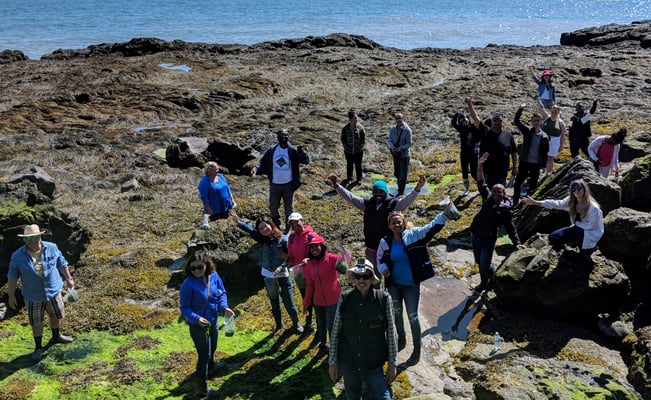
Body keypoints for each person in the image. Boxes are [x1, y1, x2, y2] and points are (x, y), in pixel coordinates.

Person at [376, 207, 452, 365]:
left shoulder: (414, 235)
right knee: (396, 313)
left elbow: (431, 228)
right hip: (394, 285)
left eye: (399, 222)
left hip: (411, 285)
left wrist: (444, 214)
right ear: (389, 226)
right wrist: (383, 269)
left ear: (403, 222)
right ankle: (401, 339)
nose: (396, 225)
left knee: (413, 316)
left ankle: (417, 348)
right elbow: (380, 260)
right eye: (393, 223)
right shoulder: (385, 242)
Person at [328, 259, 397, 400]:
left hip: (373, 363)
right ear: (353, 278)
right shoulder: (344, 298)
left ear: (372, 279)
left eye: (365, 277)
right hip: (348, 363)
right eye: (358, 277)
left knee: (383, 397)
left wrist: (392, 364)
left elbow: (391, 333)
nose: (362, 280)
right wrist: (332, 362)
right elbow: (335, 331)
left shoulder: (384, 298)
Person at [327, 175, 425, 272]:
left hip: (388, 248)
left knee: (390, 273)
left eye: (381, 192)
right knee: (372, 273)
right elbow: (351, 197)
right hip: (371, 248)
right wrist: (336, 185)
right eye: (376, 192)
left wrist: (417, 188)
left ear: (386, 192)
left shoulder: (393, 204)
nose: (378, 194)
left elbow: (407, 201)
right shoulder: (367, 204)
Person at [7, 224, 75, 361]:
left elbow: (62, 263)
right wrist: (11, 295)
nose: (33, 240)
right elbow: (12, 276)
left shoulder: (52, 247)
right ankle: (38, 347)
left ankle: (56, 336)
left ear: (40, 236)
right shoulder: (17, 256)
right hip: (33, 295)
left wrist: (69, 278)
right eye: (29, 238)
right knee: (36, 321)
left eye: (35, 236)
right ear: (24, 240)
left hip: (53, 290)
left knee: (56, 314)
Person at [233, 213, 303, 334]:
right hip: (268, 275)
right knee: (274, 303)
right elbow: (250, 231)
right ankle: (278, 325)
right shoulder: (262, 239)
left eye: (266, 226)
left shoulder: (283, 239)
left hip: (283, 276)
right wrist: (239, 223)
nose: (264, 230)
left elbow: (289, 258)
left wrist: (281, 267)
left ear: (271, 225)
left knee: (289, 303)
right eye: (261, 228)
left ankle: (296, 324)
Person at [180, 254, 234, 399]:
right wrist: (196, 319)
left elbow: (222, 293)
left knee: (213, 347)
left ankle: (211, 367)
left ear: (206, 265)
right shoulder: (188, 284)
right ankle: (202, 389)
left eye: (199, 267)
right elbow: (184, 307)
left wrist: (224, 307)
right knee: (204, 355)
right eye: (193, 268)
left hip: (213, 320)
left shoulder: (214, 276)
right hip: (198, 326)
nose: (196, 270)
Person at [471, 153, 524, 293]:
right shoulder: (487, 199)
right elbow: (481, 181)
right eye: (494, 191)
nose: (496, 194)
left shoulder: (505, 210)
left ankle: (484, 284)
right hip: (475, 237)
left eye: (499, 192)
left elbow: (510, 228)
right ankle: (491, 273)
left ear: (504, 194)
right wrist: (480, 165)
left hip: (488, 241)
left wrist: (516, 242)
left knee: (483, 266)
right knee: (481, 263)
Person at [521, 179, 604, 257]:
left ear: (584, 189)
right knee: (553, 237)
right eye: (573, 189)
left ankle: (589, 246)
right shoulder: (571, 201)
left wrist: (572, 230)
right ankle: (572, 244)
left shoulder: (593, 208)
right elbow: (556, 204)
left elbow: (590, 226)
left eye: (579, 188)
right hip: (577, 229)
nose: (577, 191)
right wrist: (536, 203)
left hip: (590, 233)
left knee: (583, 256)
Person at [298, 233, 347, 357]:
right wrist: (306, 303)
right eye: (312, 247)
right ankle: (323, 346)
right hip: (318, 301)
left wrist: (345, 252)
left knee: (332, 326)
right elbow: (309, 285)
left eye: (317, 246)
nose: (314, 249)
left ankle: (334, 350)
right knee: (321, 325)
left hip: (333, 299)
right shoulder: (309, 264)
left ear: (322, 246)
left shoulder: (332, 259)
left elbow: (346, 267)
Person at [251, 129, 310, 229]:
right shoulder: (272, 150)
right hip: (275, 184)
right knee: (273, 208)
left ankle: (289, 228)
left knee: (289, 209)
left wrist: (303, 154)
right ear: (278, 138)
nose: (284, 138)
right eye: (282, 137)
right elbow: (263, 161)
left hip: (289, 185)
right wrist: (256, 167)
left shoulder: (293, 151)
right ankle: (276, 226)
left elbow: (305, 161)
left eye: (286, 136)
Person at [466, 96, 518, 189]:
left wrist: (515, 167)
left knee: (500, 197)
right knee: (487, 196)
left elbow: (514, 152)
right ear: (491, 121)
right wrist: (470, 105)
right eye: (495, 120)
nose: (497, 122)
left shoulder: (508, 135)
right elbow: (476, 118)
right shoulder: (485, 131)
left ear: (503, 122)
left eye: (499, 121)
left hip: (502, 173)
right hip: (486, 172)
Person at [512, 102, 550, 205]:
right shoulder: (528, 131)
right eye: (534, 121)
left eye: (538, 120)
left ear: (541, 121)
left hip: (535, 164)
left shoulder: (545, 136)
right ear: (531, 122)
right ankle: (515, 202)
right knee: (518, 183)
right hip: (525, 162)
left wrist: (543, 166)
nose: (536, 122)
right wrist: (521, 109)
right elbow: (517, 121)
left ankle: (528, 204)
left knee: (533, 186)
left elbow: (545, 152)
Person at [285, 212, 317, 332]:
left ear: (302, 220)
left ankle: (320, 326)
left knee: (315, 299)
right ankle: (308, 324)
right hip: (299, 274)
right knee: (306, 299)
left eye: (296, 221)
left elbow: (319, 253)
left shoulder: (311, 235)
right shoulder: (291, 238)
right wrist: (287, 258)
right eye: (291, 223)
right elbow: (291, 258)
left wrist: (308, 259)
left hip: (312, 273)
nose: (294, 225)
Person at [451, 108, 481, 195]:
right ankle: (467, 189)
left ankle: (482, 186)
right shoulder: (461, 129)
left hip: (474, 154)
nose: (463, 122)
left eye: (464, 119)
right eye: (461, 121)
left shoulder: (475, 127)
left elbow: (478, 120)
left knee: (474, 172)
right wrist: (457, 114)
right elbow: (453, 123)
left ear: (468, 118)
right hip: (464, 154)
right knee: (464, 172)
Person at [198, 161, 236, 228]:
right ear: (209, 170)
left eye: (218, 168)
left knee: (228, 225)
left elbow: (228, 188)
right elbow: (204, 197)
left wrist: (232, 200)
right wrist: (208, 208)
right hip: (215, 209)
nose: (218, 170)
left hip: (226, 205)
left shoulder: (220, 176)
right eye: (216, 169)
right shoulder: (205, 182)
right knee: (218, 226)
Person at [537, 99, 567, 174]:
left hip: (554, 141)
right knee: (542, 155)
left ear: (558, 112)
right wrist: (538, 99)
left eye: (555, 112)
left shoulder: (560, 122)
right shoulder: (547, 117)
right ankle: (540, 170)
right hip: (544, 139)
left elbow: (563, 135)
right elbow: (541, 108)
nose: (553, 113)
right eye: (552, 111)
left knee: (550, 158)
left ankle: (548, 173)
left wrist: (561, 146)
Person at [388, 113, 412, 196]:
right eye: (397, 118)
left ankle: (401, 191)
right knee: (397, 173)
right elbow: (390, 140)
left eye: (400, 118)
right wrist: (392, 147)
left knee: (403, 174)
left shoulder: (407, 130)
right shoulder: (392, 129)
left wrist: (401, 148)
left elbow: (409, 144)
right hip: (395, 154)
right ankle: (399, 188)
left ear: (403, 119)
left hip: (404, 155)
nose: (398, 120)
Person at [341, 109, 366, 184]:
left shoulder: (360, 127)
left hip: (358, 151)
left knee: (358, 165)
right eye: (355, 117)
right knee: (349, 164)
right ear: (350, 119)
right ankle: (349, 178)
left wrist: (360, 146)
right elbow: (343, 138)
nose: (356, 119)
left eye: (356, 117)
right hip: (348, 151)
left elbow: (363, 138)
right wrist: (346, 147)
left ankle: (359, 179)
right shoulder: (345, 128)